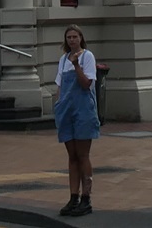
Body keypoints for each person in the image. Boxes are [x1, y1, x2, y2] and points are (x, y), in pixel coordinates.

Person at [54, 25, 98, 218]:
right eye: (69, 37)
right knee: (72, 155)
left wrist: (77, 65)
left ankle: (86, 198)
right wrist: (58, 106)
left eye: (75, 36)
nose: (72, 40)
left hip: (83, 111)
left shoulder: (87, 56)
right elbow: (60, 86)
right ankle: (73, 196)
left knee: (83, 154)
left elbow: (86, 83)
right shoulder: (63, 60)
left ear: (81, 38)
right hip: (67, 111)